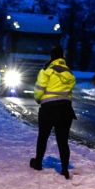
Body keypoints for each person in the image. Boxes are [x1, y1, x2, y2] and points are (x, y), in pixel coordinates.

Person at [30, 45, 76, 178]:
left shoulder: (46, 71)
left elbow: (39, 90)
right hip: (66, 110)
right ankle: (65, 169)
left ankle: (38, 163)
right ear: (63, 57)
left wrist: (39, 99)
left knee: (43, 137)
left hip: (48, 110)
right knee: (63, 141)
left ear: (52, 57)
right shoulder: (69, 73)